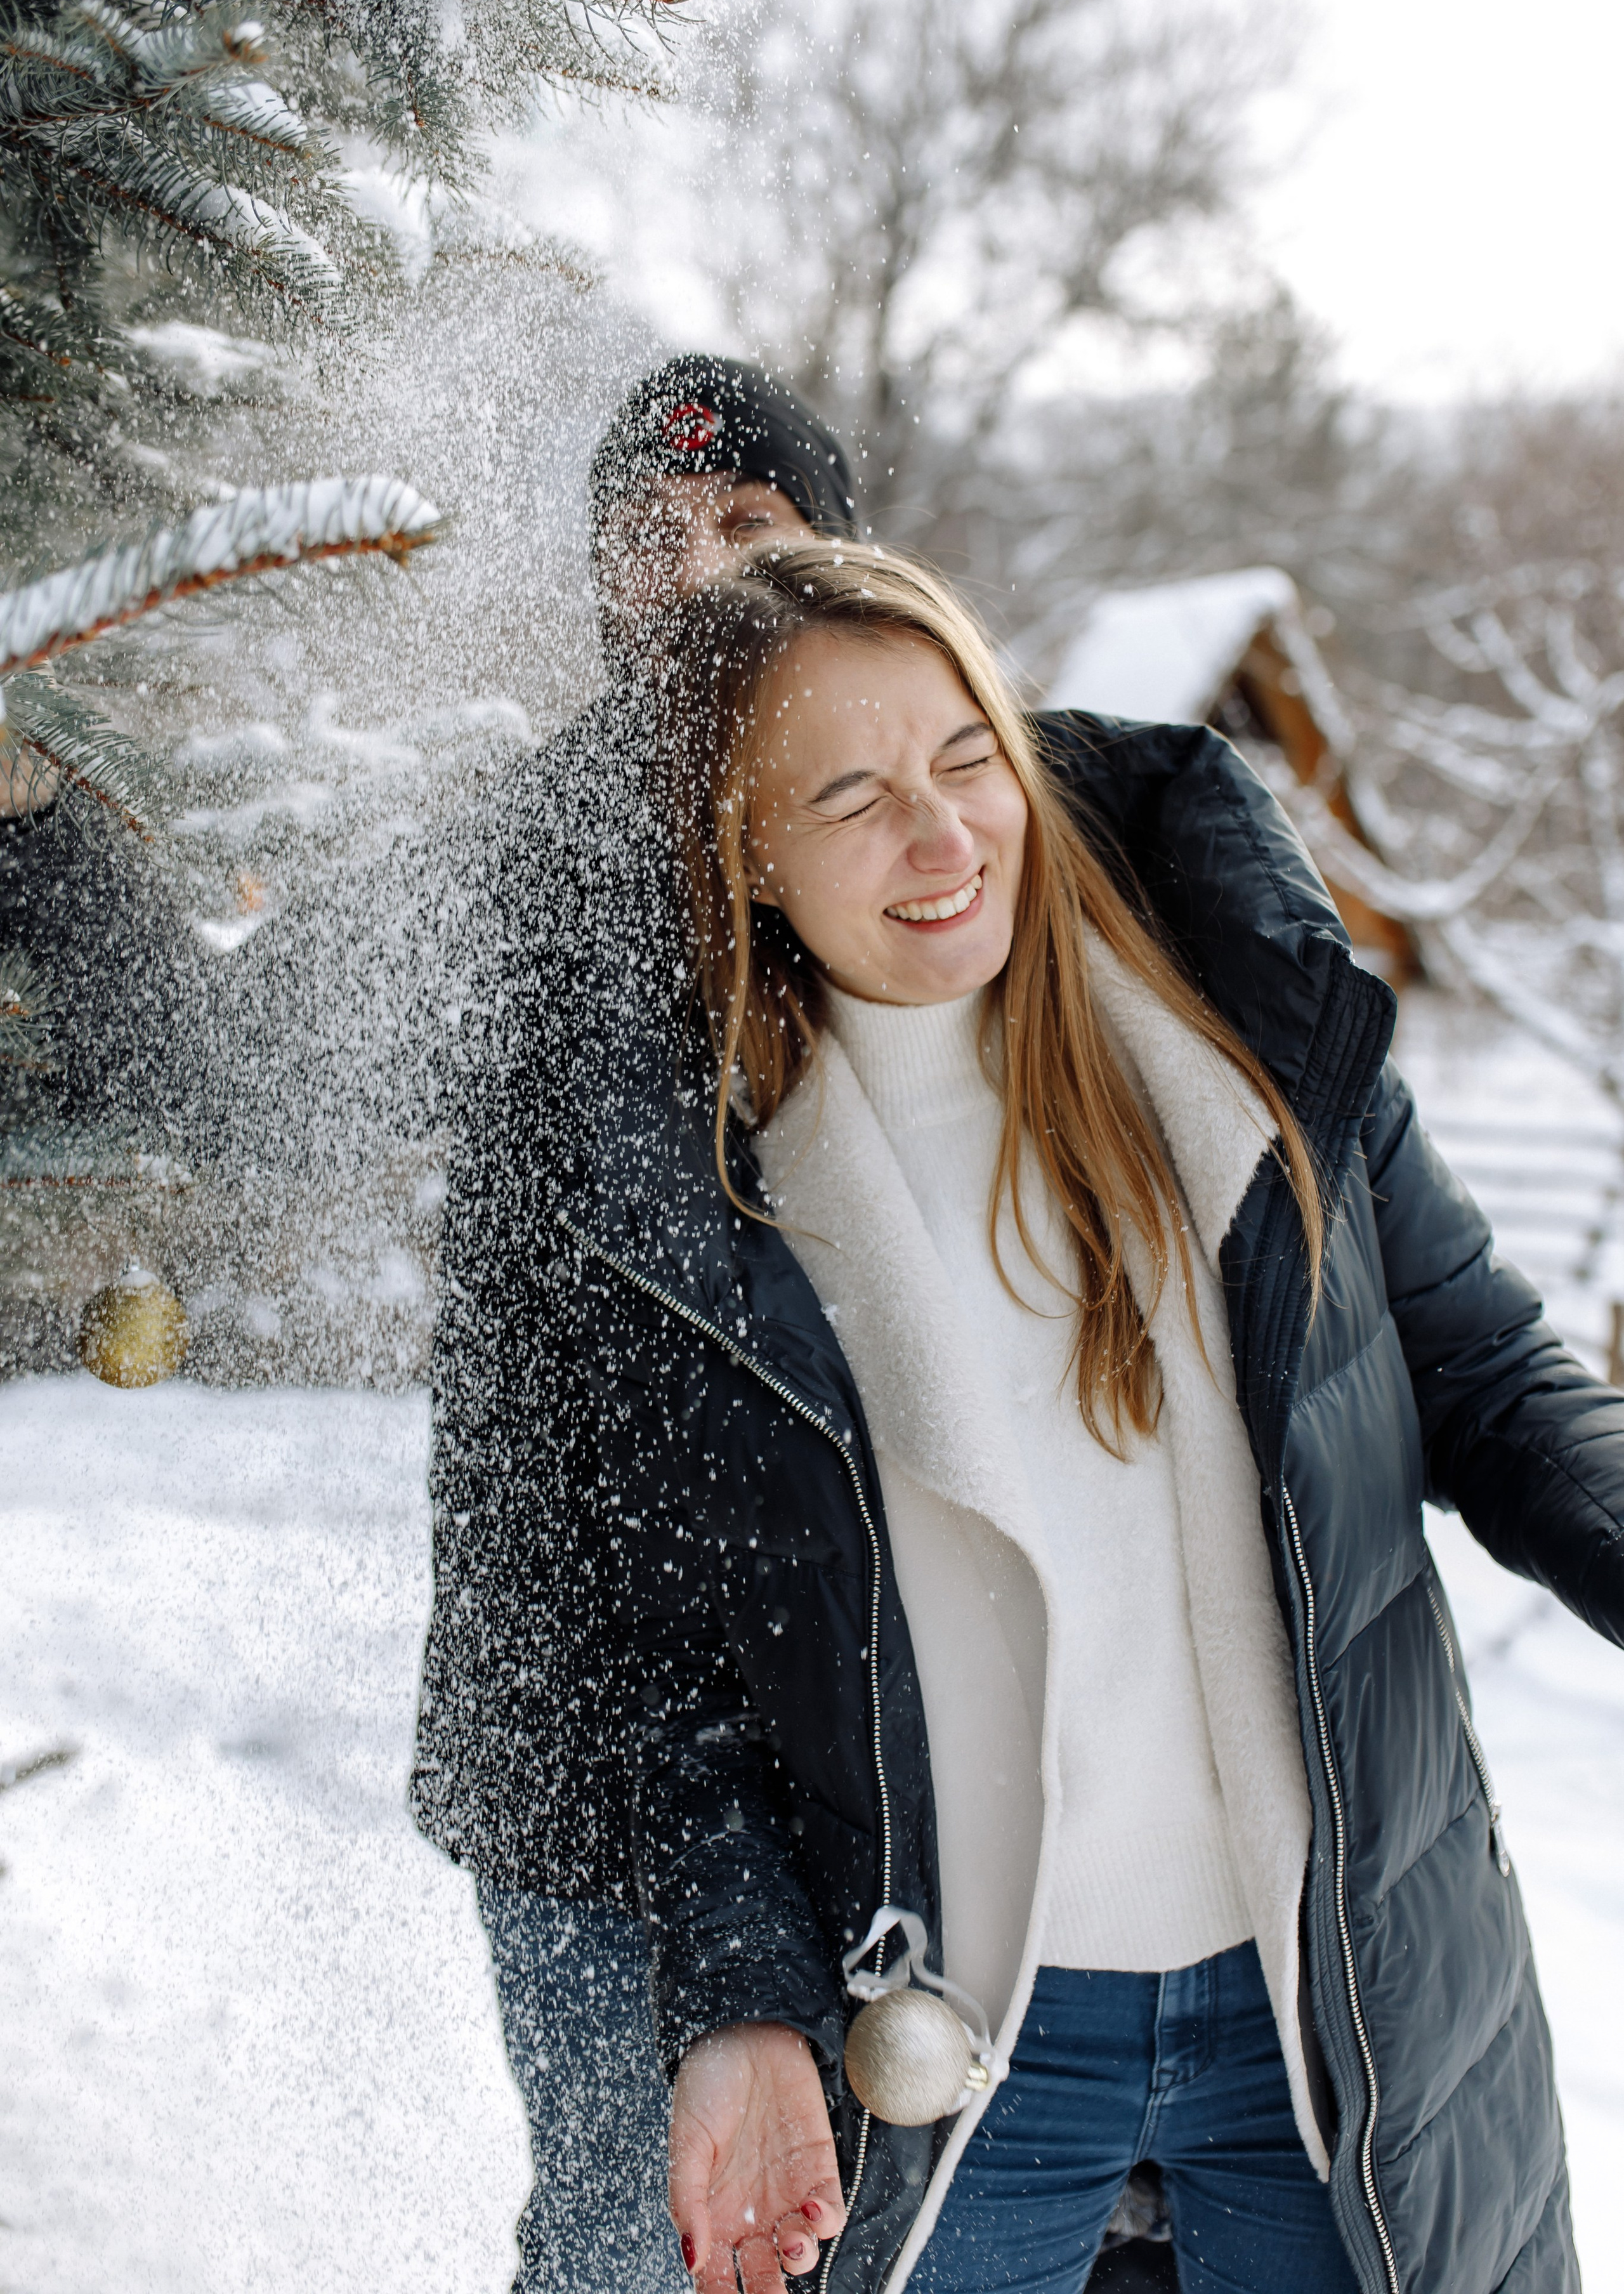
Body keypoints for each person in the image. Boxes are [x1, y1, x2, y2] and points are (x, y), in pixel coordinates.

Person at [501, 533, 1608, 2294]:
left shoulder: (1248, 1042)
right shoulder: (687, 1203)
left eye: (965, 761)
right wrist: (732, 2001)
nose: (942, 841)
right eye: (852, 799)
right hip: (951, 2070)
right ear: (750, 857)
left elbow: (1485, 1378)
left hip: (1329, 2024)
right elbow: (656, 1667)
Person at [410, 357, 858, 2294]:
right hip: (582, 1740)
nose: (693, 574)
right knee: (629, 2244)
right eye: (645, 540)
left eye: (748, 527)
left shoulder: (914, 842)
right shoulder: (524, 853)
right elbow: (244, 1008)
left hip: (866, 1733)